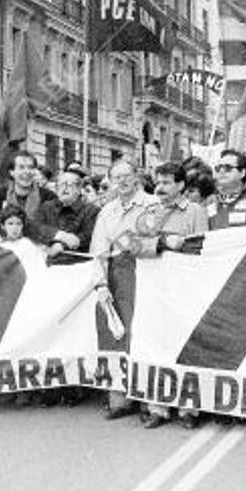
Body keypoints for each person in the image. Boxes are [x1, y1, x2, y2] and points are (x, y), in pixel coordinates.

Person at [138, 162, 209, 428]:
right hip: (156, 289)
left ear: (180, 185)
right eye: (158, 182)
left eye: (167, 182)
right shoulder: (149, 211)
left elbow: (202, 245)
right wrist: (161, 242)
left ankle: (188, 408)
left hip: (184, 288)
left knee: (186, 348)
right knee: (158, 347)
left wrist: (181, 247)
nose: (160, 187)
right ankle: (158, 407)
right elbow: (133, 244)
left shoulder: (195, 211)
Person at [89, 159, 160, 421]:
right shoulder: (107, 211)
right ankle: (119, 398)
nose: (122, 181)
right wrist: (101, 284)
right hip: (117, 273)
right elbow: (99, 251)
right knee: (115, 332)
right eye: (116, 177)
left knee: (144, 333)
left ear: (136, 177)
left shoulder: (152, 203)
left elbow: (154, 238)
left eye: (126, 175)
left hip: (145, 271)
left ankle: (146, 398)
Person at [0, 152, 57, 235]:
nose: (27, 172)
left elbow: (53, 227)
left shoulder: (49, 197)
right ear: (11, 172)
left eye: (30, 167)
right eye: (21, 167)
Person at [33, 169, 99, 259]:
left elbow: (87, 235)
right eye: (61, 185)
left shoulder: (91, 210)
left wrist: (62, 245)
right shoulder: (47, 206)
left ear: (79, 190)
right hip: (47, 260)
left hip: (77, 262)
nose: (64, 188)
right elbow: (37, 227)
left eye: (69, 185)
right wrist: (58, 235)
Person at [205, 149, 246, 229]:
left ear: (242, 173)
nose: (222, 171)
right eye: (218, 168)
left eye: (228, 168)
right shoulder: (209, 202)